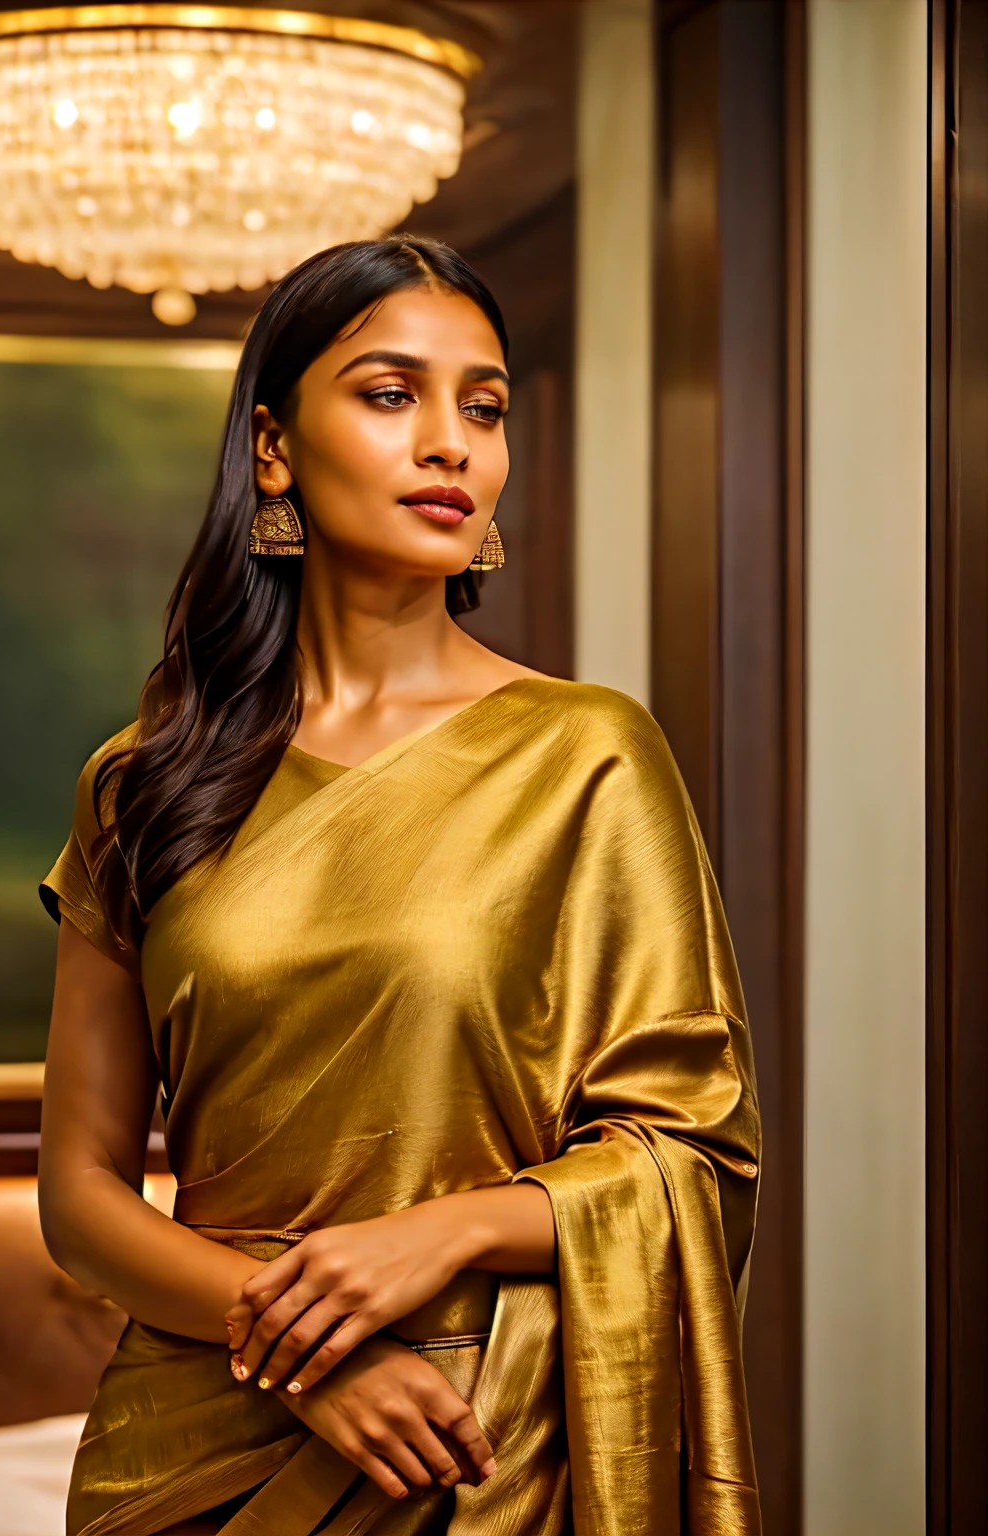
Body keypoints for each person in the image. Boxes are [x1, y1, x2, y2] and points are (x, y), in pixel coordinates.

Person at [38, 235, 761, 1536]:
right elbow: (81, 1198)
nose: (452, 446)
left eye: (483, 407)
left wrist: (439, 1237)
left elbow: (691, 1150)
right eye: (390, 394)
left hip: (473, 1446)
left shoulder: (587, 754)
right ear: (272, 448)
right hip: (191, 1446)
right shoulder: (141, 782)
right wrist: (308, 1352)